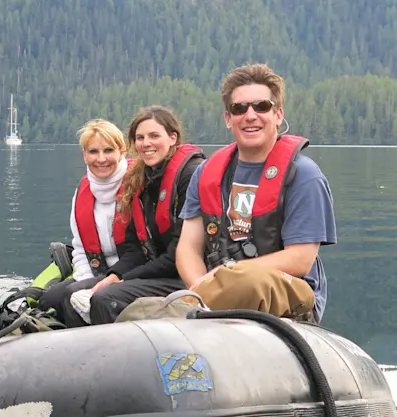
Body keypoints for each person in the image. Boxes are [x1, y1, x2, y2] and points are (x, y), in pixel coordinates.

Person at [176, 63, 337, 323]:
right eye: (239, 108)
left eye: (261, 106)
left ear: (278, 114)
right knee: (141, 307)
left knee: (247, 281)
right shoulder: (205, 174)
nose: (250, 115)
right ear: (228, 119)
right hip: (221, 292)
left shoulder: (305, 176)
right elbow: (187, 248)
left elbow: (300, 259)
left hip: (290, 294)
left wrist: (227, 276)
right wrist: (201, 290)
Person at [59, 107, 205, 327]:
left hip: (187, 274)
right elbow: (135, 248)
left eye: (154, 136)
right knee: (69, 297)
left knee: (104, 299)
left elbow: (180, 253)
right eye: (140, 138)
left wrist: (125, 278)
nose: (146, 143)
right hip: (159, 270)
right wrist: (115, 274)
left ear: (173, 137)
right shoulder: (143, 180)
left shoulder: (190, 175)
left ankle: (116, 356)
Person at [35, 119, 130, 324]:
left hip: (130, 272)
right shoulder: (83, 191)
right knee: (48, 301)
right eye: (93, 151)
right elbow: (79, 248)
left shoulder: (136, 183)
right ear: (85, 155)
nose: (101, 159)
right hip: (97, 271)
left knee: (72, 296)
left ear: (122, 151)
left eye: (109, 150)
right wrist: (86, 280)